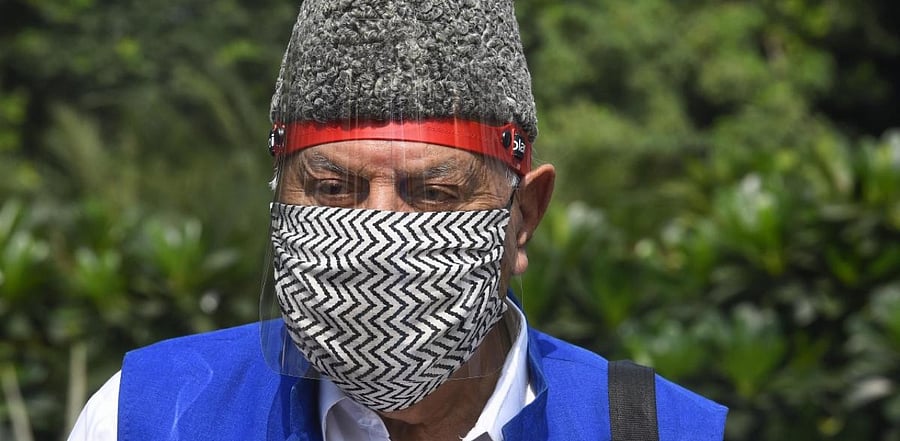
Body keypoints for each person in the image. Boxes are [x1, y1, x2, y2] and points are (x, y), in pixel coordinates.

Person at [69, 0, 727, 440]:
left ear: (523, 217)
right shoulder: (149, 415)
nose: (377, 239)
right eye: (331, 187)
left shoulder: (656, 427)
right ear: (277, 197)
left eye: (434, 193)